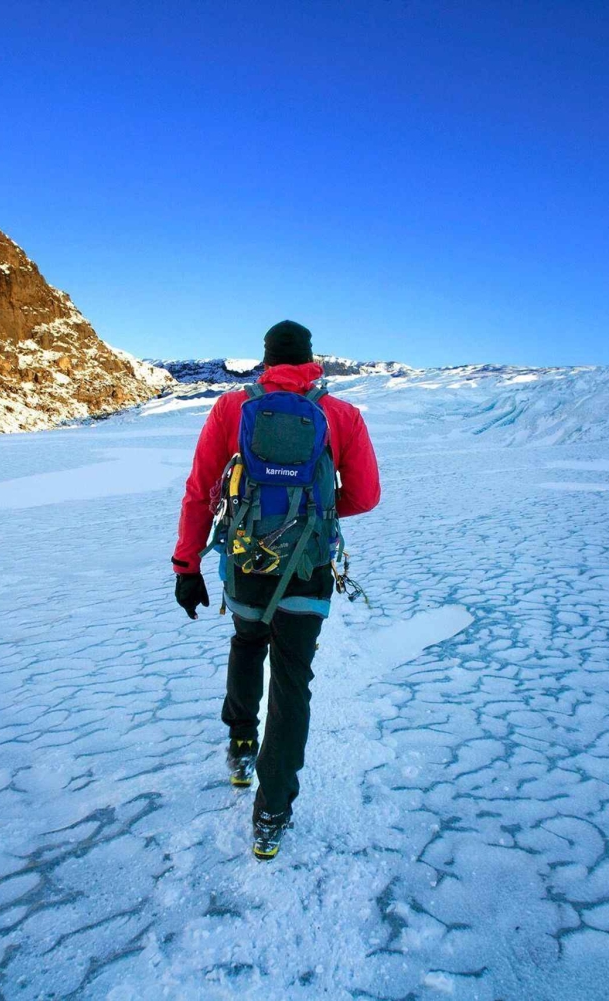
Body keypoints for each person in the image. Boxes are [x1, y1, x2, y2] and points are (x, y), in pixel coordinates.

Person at [172, 320, 381, 860]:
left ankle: (241, 744)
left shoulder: (231, 409)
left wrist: (186, 564)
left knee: (247, 642)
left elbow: (200, 490)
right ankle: (272, 811)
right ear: (311, 359)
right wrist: (320, 514)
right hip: (307, 564)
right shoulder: (341, 414)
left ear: (264, 360)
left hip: (245, 564)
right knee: (293, 679)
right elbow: (366, 495)